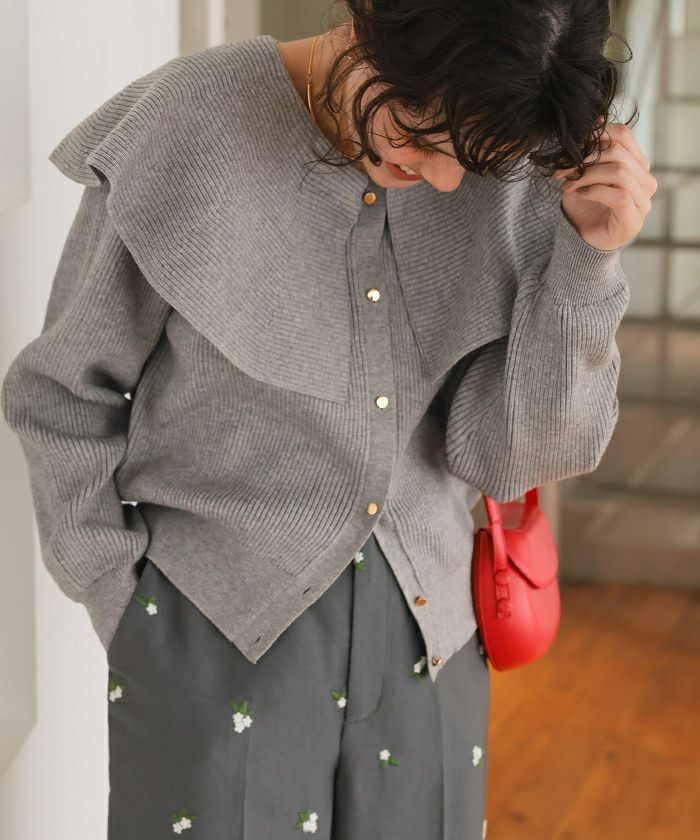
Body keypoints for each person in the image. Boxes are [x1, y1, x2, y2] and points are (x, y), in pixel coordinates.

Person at [0, 2, 655, 838]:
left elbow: (511, 458)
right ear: (373, 21)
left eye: (469, 159)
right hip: (208, 633)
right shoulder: (187, 122)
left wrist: (588, 259)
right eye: (419, 128)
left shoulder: (508, 151)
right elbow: (62, 395)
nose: (444, 178)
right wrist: (123, 603)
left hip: (431, 644)